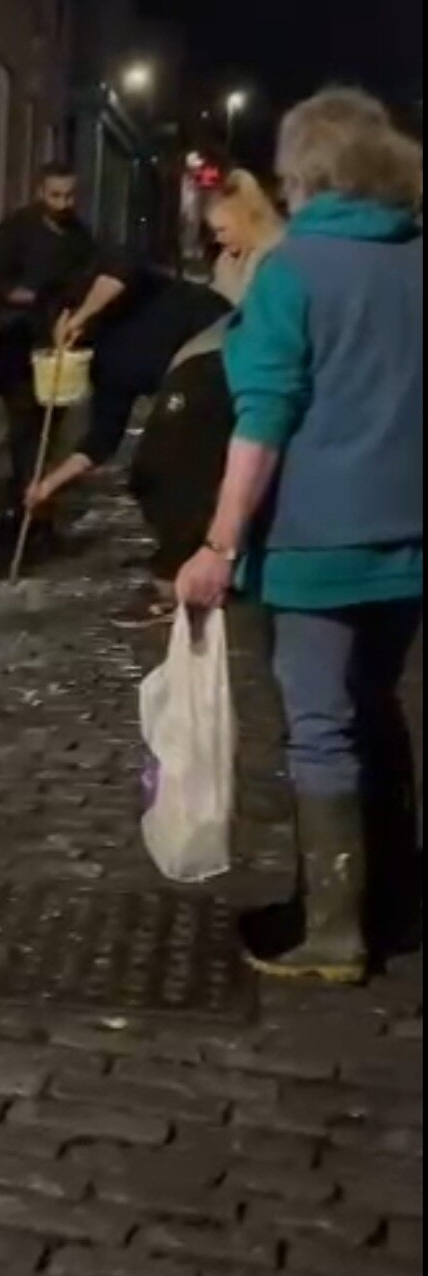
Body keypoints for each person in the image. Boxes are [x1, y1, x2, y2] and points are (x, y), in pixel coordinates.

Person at [177, 88, 422, 983]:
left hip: (317, 537)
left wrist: (217, 543)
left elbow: (264, 416)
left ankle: (331, 931)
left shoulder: (296, 269)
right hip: (409, 539)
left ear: (306, 173)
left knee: (319, 724)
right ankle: (390, 897)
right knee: (375, 704)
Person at [26, 268, 232, 531]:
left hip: (214, 341)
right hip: (187, 383)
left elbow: (124, 271)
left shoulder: (115, 296)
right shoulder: (103, 369)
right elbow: (102, 438)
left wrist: (81, 315)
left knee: (174, 453)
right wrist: (48, 484)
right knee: (152, 472)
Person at [0, 164, 106, 548]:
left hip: (59, 349)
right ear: (41, 192)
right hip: (18, 343)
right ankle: (25, 514)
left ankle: (34, 509)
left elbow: (88, 284)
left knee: (49, 433)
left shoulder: (80, 238)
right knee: (24, 434)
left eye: (69, 196)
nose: (63, 203)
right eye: (55, 195)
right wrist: (39, 296)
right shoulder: (12, 231)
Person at [205, 168, 285, 304]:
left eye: (222, 230)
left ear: (244, 220)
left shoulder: (277, 258)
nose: (218, 239)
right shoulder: (226, 261)